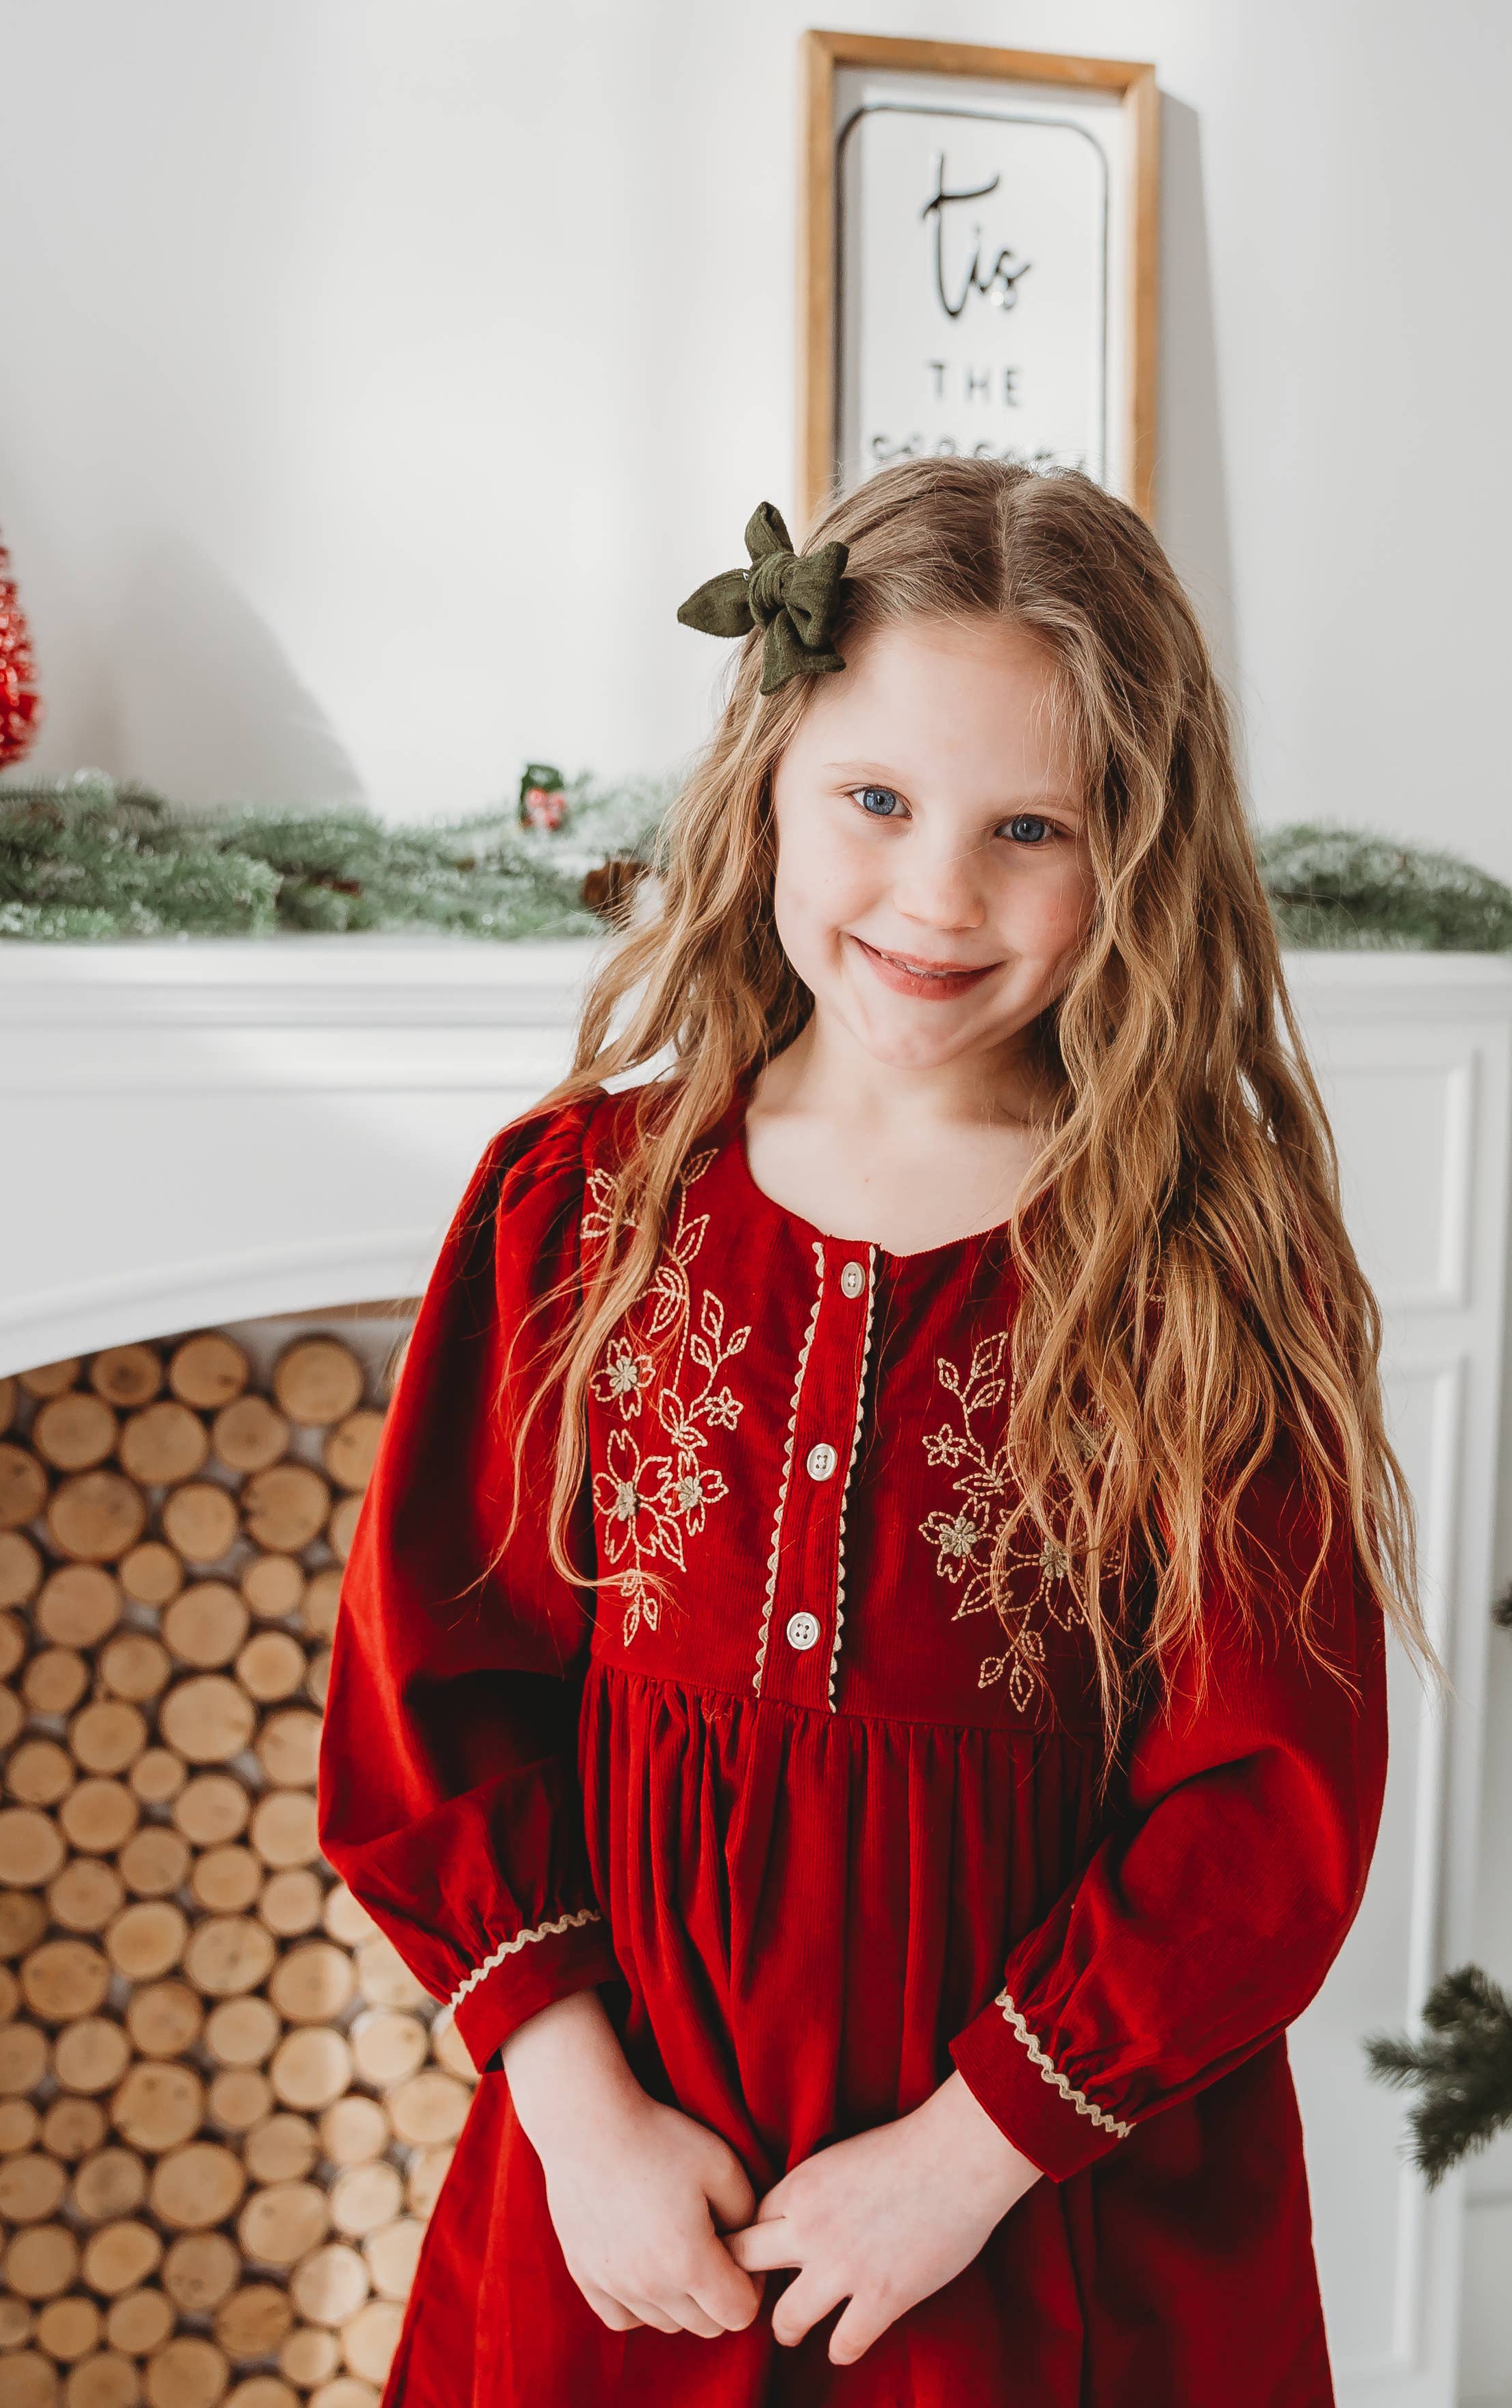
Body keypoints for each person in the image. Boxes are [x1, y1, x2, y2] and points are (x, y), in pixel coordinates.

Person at [316, 457, 1435, 2406]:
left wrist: (962, 2158)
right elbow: (434, 1694)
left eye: (1030, 827)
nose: (937, 894)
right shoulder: (573, 1208)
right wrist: (580, 2120)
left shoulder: (1200, 1259)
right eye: (877, 803)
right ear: (768, 776)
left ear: (1135, 855)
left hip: (1040, 2229)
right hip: (638, 2212)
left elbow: (1267, 1802)